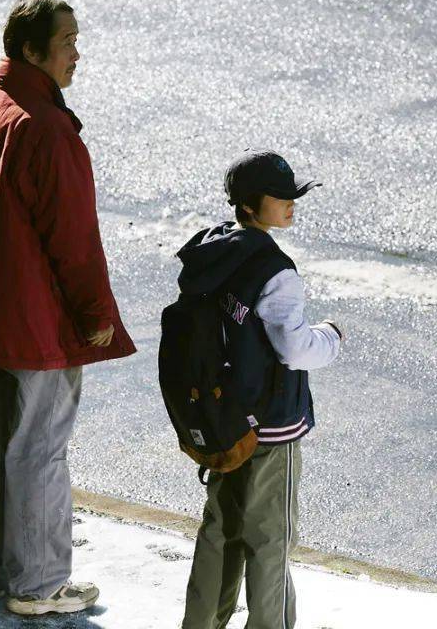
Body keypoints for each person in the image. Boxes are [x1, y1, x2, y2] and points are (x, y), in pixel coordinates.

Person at [0, 0, 136, 616]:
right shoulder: (48, 130)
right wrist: (97, 316)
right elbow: (74, 241)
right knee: (41, 449)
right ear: (32, 50)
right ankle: (40, 583)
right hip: (38, 319)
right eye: (67, 42)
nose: (77, 54)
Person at [178, 150, 344, 629]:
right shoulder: (276, 270)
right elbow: (293, 348)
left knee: (220, 531)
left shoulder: (214, 252)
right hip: (272, 426)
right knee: (270, 539)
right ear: (252, 204)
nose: (293, 203)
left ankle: (201, 623)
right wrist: (331, 337)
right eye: (283, 196)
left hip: (223, 418)